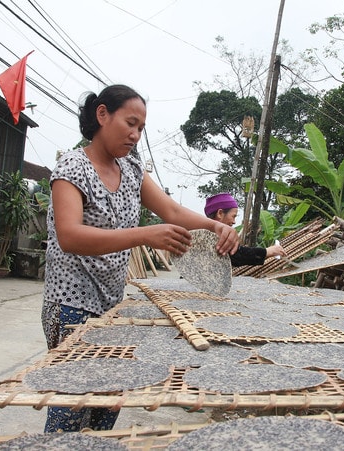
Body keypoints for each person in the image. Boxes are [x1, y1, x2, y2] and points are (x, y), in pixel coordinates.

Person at [41, 84, 239, 433]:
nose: (135, 135)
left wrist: (213, 227)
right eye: (130, 123)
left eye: (141, 129)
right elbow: (70, 236)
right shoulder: (72, 167)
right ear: (102, 115)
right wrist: (145, 235)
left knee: (110, 405)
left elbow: (171, 209)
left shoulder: (131, 169)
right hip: (71, 305)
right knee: (73, 408)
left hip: (113, 307)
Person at [204, 192, 286, 267]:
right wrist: (268, 251)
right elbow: (237, 255)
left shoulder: (204, 234)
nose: (234, 222)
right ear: (220, 213)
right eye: (233, 216)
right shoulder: (210, 238)